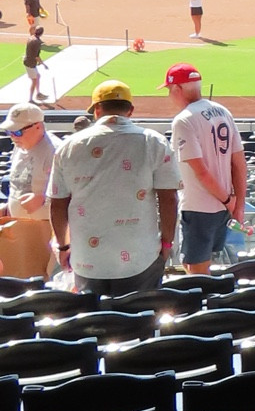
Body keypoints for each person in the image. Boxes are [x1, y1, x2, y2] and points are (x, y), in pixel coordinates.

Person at [47, 79, 180, 295]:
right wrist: (166, 244)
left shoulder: (68, 146)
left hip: (88, 261)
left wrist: (63, 247)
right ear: (130, 111)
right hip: (141, 259)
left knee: (94, 323)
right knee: (138, 324)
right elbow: (169, 199)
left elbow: (57, 204)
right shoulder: (154, 142)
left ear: (97, 110)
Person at [164, 63, 246, 274]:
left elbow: (201, 172)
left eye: (169, 90)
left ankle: (209, 307)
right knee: (194, 265)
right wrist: (237, 205)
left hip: (199, 206)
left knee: (197, 272)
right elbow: (239, 162)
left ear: (177, 89)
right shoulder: (223, 111)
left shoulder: (183, 120)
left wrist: (229, 201)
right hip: (221, 207)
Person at [0, 100, 60, 278]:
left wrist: (43, 198)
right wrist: (8, 207)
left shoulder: (55, 151)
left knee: (42, 283)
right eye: (9, 132)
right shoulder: (19, 146)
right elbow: (18, 183)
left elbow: (73, 194)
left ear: (38, 127)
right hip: (21, 229)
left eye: (18, 131)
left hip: (47, 233)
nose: (13, 136)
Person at [22, 28, 47, 106]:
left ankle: (38, 93)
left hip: (29, 61)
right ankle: (30, 99)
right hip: (30, 63)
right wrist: (43, 64)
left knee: (38, 76)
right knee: (34, 80)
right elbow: (36, 56)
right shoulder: (37, 42)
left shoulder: (31, 37)